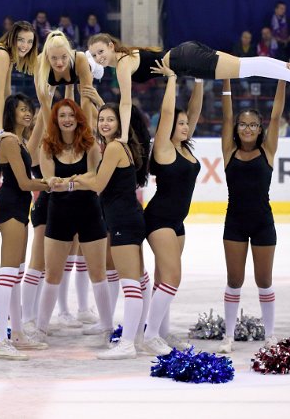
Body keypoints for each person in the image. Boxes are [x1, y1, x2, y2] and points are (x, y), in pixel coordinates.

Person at [87, 33, 290, 146]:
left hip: (186, 60)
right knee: (247, 65)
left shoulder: (122, 64)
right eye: (95, 55)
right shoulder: (127, 55)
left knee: (247, 67)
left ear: (111, 46)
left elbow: (126, 102)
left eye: (101, 52)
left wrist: (123, 136)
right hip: (186, 54)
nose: (99, 58)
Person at [60, 102, 150, 359]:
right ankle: (138, 337)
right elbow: (97, 177)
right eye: (101, 119)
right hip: (127, 219)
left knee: (130, 284)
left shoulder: (113, 148)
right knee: (138, 280)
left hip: (123, 222)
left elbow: (98, 184)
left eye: (110, 119)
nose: (104, 124)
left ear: (120, 123)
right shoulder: (119, 146)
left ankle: (128, 344)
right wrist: (71, 181)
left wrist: (72, 182)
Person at [217, 75, 290, 354]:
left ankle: (270, 336)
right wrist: (225, 80)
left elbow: (276, 116)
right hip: (234, 224)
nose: (247, 128)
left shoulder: (267, 150)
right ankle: (228, 337)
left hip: (263, 224)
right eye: (243, 124)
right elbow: (226, 117)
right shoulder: (229, 151)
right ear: (237, 129)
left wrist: (283, 80)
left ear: (260, 130)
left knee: (264, 281)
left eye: (253, 125)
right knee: (234, 281)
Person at [35, 99, 113, 347]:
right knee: (52, 274)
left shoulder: (90, 144)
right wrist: (67, 181)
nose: (67, 119)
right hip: (58, 214)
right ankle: (40, 328)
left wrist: (67, 183)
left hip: (90, 212)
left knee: (98, 273)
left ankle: (108, 328)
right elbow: (49, 180)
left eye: (71, 115)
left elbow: (94, 176)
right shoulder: (47, 146)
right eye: (62, 116)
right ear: (55, 120)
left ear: (78, 118)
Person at [142, 60, 202, 355]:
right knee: (173, 278)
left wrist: (200, 81)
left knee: (163, 279)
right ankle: (150, 335)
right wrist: (172, 79)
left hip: (177, 223)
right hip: (160, 220)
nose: (186, 126)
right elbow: (168, 113)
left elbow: (194, 111)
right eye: (181, 124)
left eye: (186, 124)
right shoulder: (164, 148)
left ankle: (161, 333)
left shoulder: (184, 147)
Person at [0, 93, 51, 360]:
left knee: (16, 273)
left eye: (30, 109)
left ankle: (16, 334)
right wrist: (52, 184)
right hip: (10, 209)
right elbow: (25, 183)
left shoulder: (20, 141)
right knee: (8, 273)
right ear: (11, 113)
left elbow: (37, 132)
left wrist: (46, 102)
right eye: (22, 109)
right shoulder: (8, 141)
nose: (28, 113)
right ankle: (1, 341)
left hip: (19, 209)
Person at [34, 31, 99, 128]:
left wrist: (87, 130)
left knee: (84, 94)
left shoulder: (79, 59)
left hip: (84, 70)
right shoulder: (39, 62)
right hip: (59, 78)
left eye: (64, 57)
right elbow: (44, 103)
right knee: (48, 100)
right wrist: (50, 132)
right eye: (54, 58)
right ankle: (67, 85)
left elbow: (86, 100)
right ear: (47, 57)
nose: (59, 63)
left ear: (69, 53)